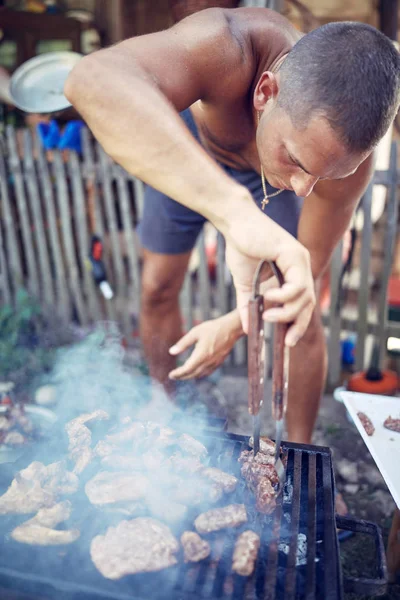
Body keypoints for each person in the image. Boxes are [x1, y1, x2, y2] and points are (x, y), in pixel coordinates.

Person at [65, 8, 400, 446]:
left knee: (298, 313)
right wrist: (234, 212)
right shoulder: (226, 47)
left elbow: (307, 271)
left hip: (259, 178)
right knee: (157, 288)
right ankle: (163, 404)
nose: (303, 191)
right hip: (194, 154)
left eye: (324, 177)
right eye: (298, 162)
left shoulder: (343, 163)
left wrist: (233, 323)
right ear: (265, 92)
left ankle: (297, 449)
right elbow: (90, 80)